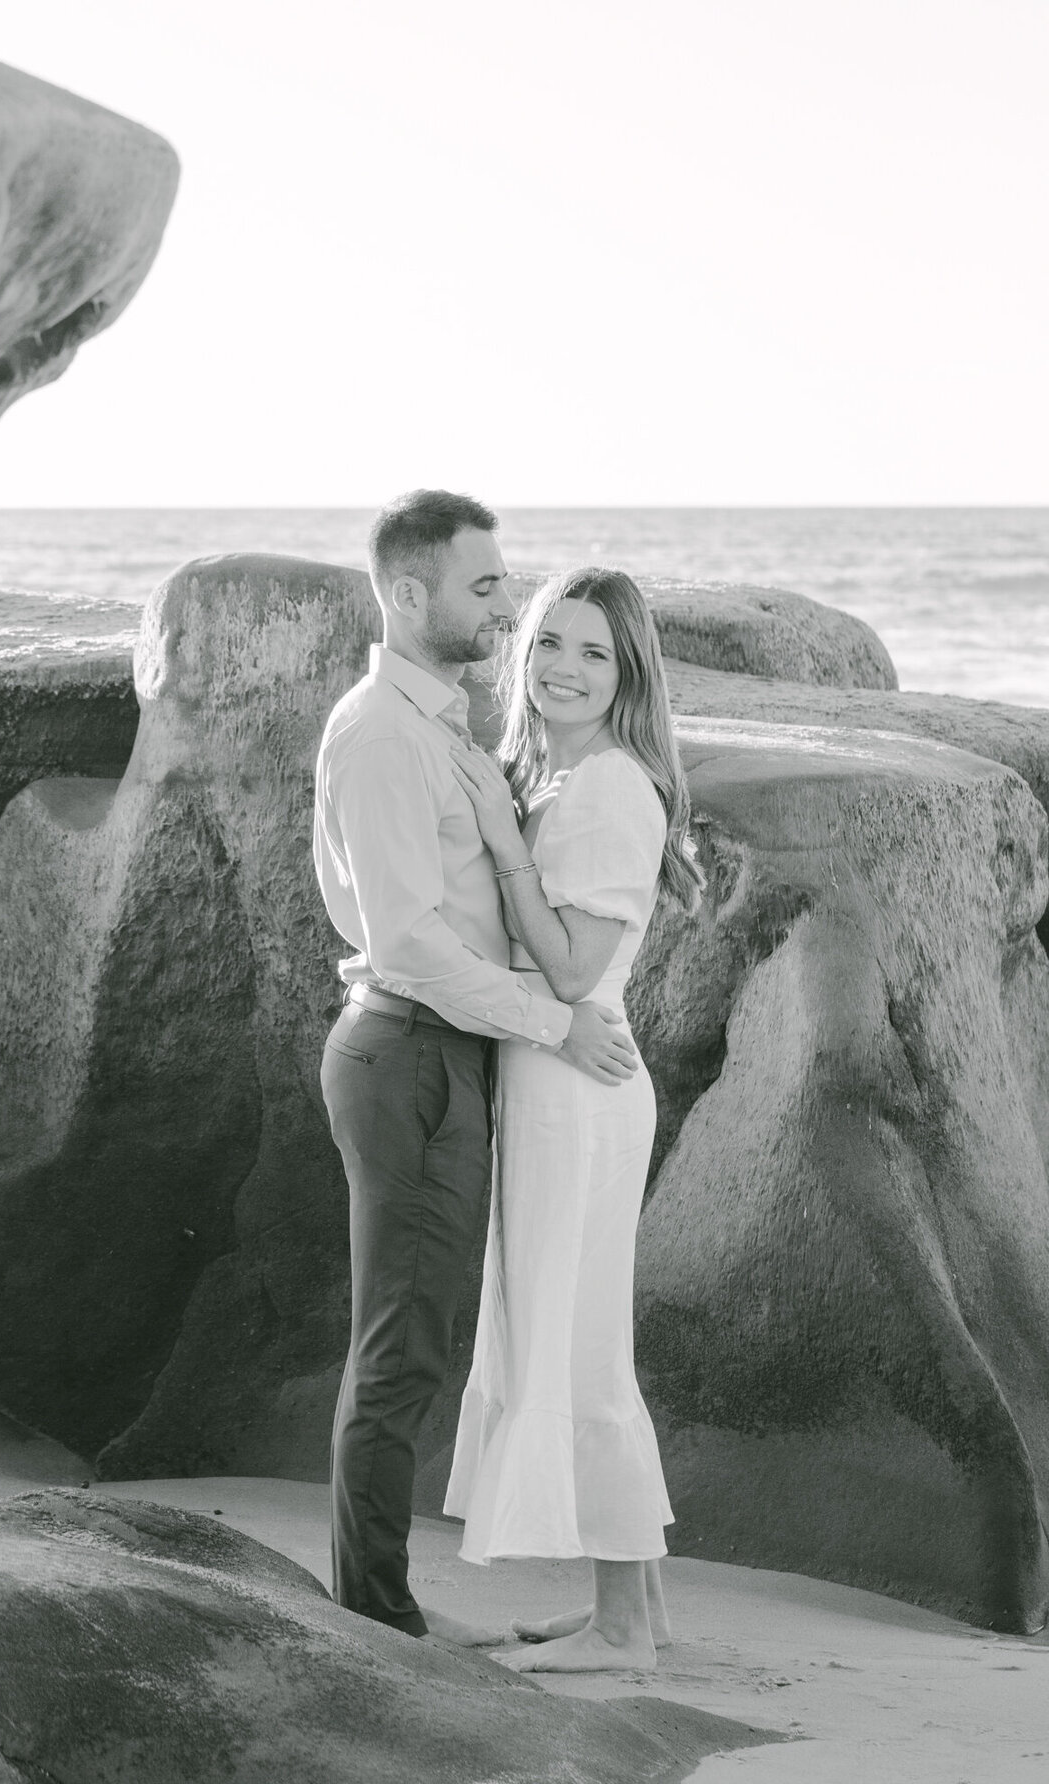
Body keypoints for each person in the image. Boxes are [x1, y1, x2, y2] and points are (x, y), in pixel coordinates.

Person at [313, 493, 642, 1645]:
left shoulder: (443, 726)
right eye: (487, 585)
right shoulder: (384, 734)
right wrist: (554, 1027)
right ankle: (376, 1616)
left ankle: (375, 1599)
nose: (509, 603)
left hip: (441, 1053)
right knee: (404, 1341)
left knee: (421, 1333)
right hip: (408, 1048)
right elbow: (409, 942)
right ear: (410, 596)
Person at [443, 565, 705, 1673]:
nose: (563, 667)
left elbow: (575, 970)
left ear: (628, 673)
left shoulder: (605, 788)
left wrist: (504, 851)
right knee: (590, 1341)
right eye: (550, 640)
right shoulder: (551, 774)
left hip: (578, 1081)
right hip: (560, 1076)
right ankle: (633, 1614)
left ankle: (619, 1631)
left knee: (578, 1347)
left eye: (594, 652)